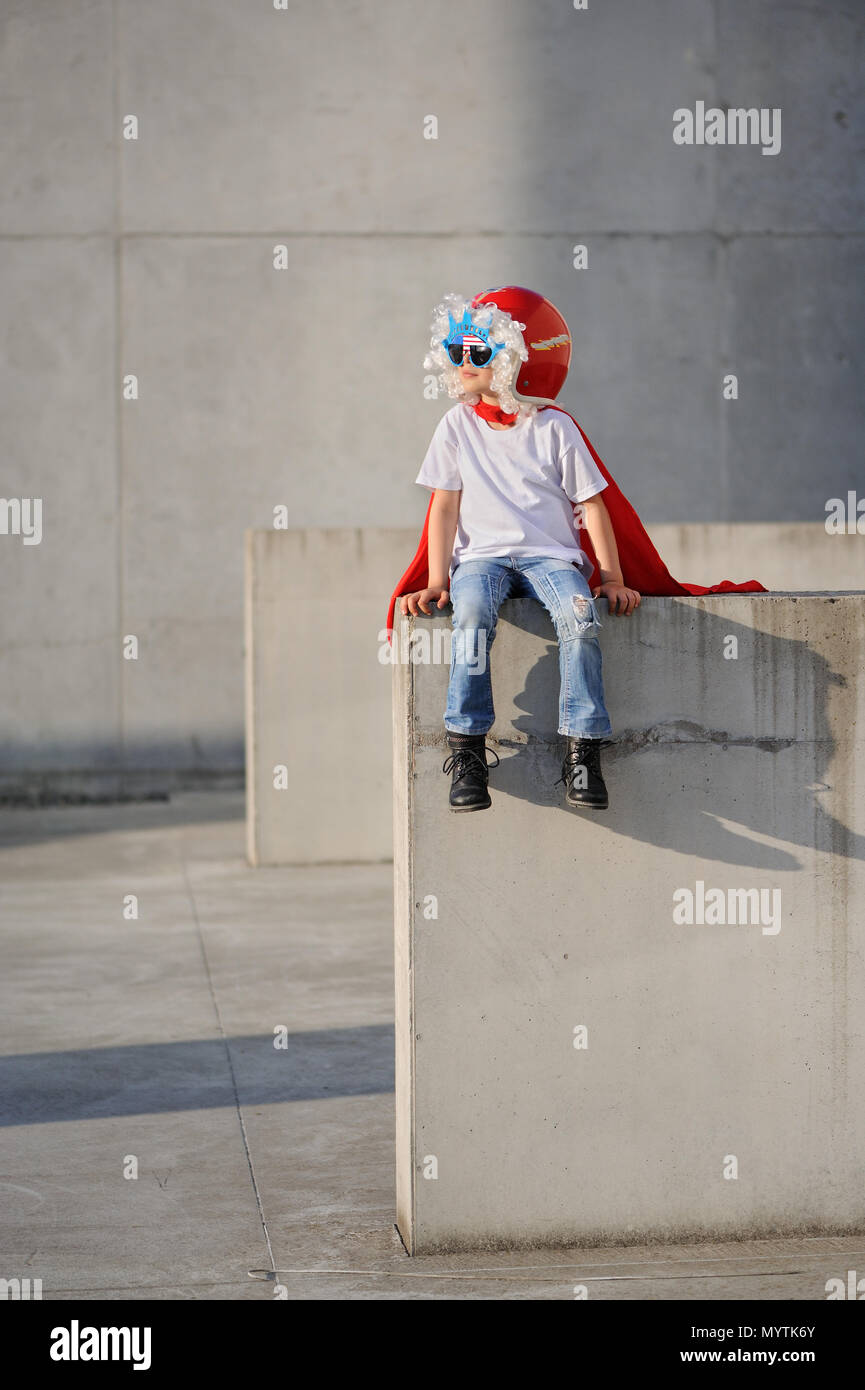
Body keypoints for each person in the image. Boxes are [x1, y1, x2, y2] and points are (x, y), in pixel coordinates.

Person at [386, 286, 766, 814]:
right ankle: (468, 750)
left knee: (582, 617)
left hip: (550, 558)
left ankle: (583, 748)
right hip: (481, 560)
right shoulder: (455, 426)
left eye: (478, 351)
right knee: (470, 617)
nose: (464, 363)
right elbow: (444, 508)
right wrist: (435, 580)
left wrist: (610, 576)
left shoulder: (554, 427)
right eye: (457, 352)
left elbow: (592, 505)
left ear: (518, 359)